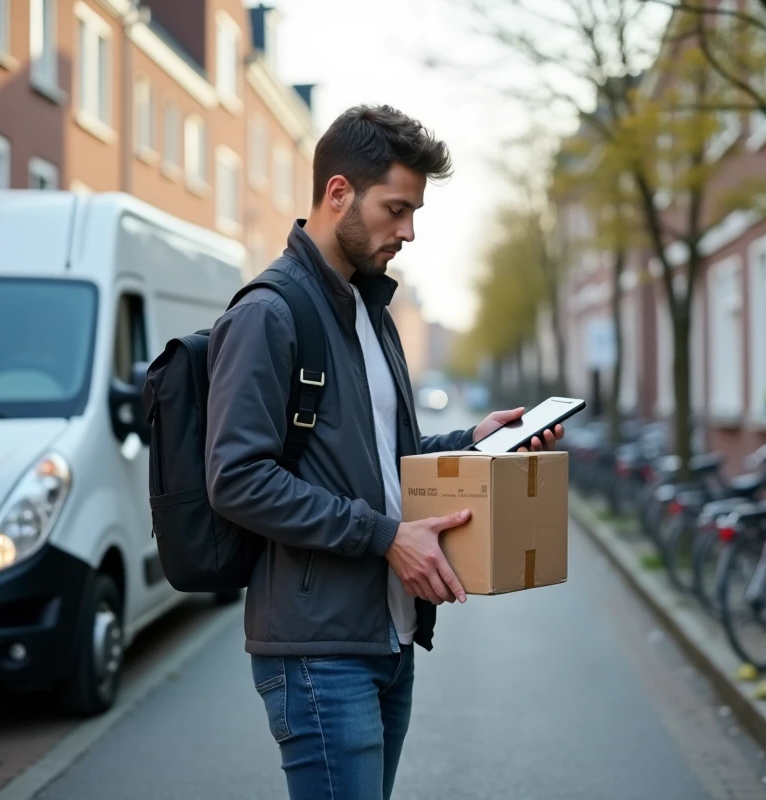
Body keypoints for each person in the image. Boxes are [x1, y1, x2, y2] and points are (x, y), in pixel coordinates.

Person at [204, 105, 564, 800]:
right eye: (396, 209)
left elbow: (385, 460)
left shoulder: (371, 313)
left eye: (414, 212)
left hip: (387, 638)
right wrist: (384, 536)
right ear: (338, 193)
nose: (409, 231)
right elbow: (238, 479)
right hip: (317, 652)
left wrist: (475, 443)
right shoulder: (268, 313)